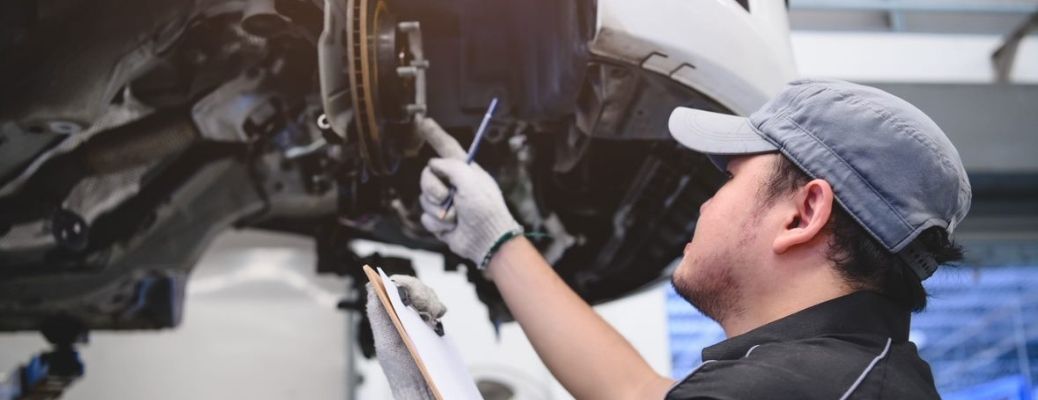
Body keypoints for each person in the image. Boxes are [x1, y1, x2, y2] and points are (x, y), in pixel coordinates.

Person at [392, 78, 970, 399]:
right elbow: (635, 390)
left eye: (731, 177)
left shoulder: (787, 390)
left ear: (803, 213)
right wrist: (494, 239)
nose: (706, 202)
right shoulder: (849, 373)